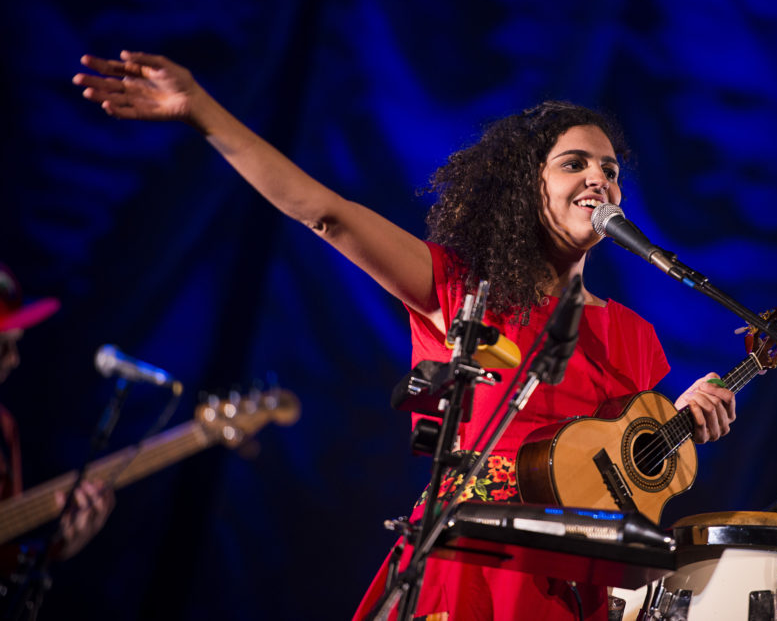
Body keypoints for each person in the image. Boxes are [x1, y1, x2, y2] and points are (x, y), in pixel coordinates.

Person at [73, 51, 737, 620]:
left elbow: (614, 478)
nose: (600, 176)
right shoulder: (462, 290)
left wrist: (679, 426)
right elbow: (324, 213)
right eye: (574, 164)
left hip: (572, 589)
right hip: (470, 562)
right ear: (528, 190)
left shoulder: (634, 337)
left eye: (610, 167)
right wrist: (200, 111)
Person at [0, 263, 115, 615]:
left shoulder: (4, 429)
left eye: (15, 345)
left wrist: (55, 548)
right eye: (2, 346)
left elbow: (5, 560)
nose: (15, 359)